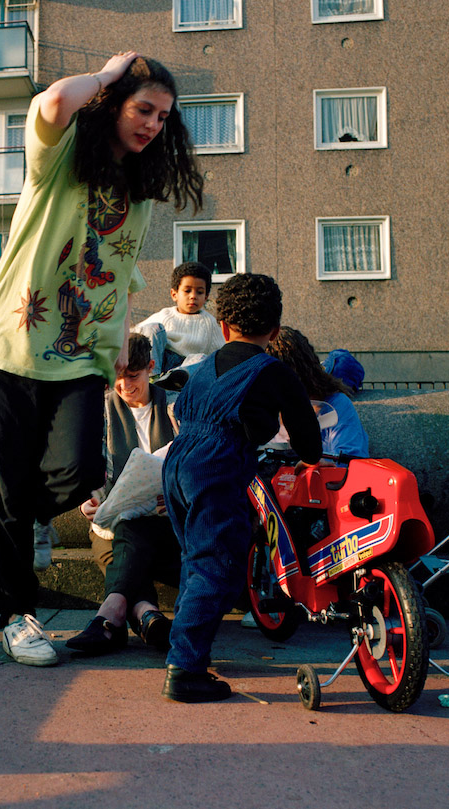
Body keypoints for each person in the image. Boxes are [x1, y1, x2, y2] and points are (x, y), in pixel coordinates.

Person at [0, 51, 203, 667]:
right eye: (143, 109)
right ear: (114, 105)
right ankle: (16, 616)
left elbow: (118, 280)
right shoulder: (60, 157)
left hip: (78, 361)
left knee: (76, 473)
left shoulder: (140, 194)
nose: (153, 124)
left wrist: (117, 351)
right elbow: (50, 104)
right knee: (7, 493)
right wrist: (102, 77)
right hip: (10, 349)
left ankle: (25, 518)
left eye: (163, 117)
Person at [162, 273, 322, 702]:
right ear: (274, 329)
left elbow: (188, 412)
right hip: (216, 467)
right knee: (217, 566)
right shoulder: (276, 372)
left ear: (223, 325)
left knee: (195, 560)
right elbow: (310, 445)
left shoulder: (200, 369)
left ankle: (188, 650)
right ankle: (185, 670)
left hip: (177, 463)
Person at [66, 333, 178, 655]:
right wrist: (89, 500)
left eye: (134, 376)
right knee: (123, 529)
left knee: (121, 544)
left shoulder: (172, 407)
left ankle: (112, 618)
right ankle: (147, 616)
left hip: (164, 518)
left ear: (151, 368)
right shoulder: (101, 410)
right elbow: (90, 467)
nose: (125, 385)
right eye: (118, 377)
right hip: (115, 516)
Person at [267, 327, 369, 458]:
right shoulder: (261, 404)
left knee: (341, 363)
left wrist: (323, 465)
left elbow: (351, 459)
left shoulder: (335, 405)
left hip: (319, 475)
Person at [134, 261, 224, 374]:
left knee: (202, 359)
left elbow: (221, 353)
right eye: (187, 291)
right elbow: (137, 331)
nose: (193, 296)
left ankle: (175, 379)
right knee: (152, 328)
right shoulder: (165, 315)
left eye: (199, 292)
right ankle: (152, 377)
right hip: (160, 363)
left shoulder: (210, 323)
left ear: (206, 297)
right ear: (174, 294)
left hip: (187, 370)